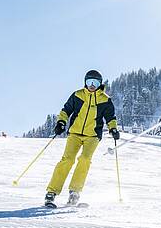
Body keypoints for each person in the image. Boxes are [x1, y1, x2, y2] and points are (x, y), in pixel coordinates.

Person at [44, 69, 120, 207]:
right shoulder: (78, 95)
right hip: (75, 133)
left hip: (93, 136)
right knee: (67, 160)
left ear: (100, 84)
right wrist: (61, 122)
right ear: (85, 82)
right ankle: (52, 192)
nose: (92, 85)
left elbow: (111, 117)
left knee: (85, 159)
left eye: (95, 82)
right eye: (89, 81)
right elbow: (66, 110)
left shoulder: (105, 100)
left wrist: (113, 128)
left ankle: (74, 192)